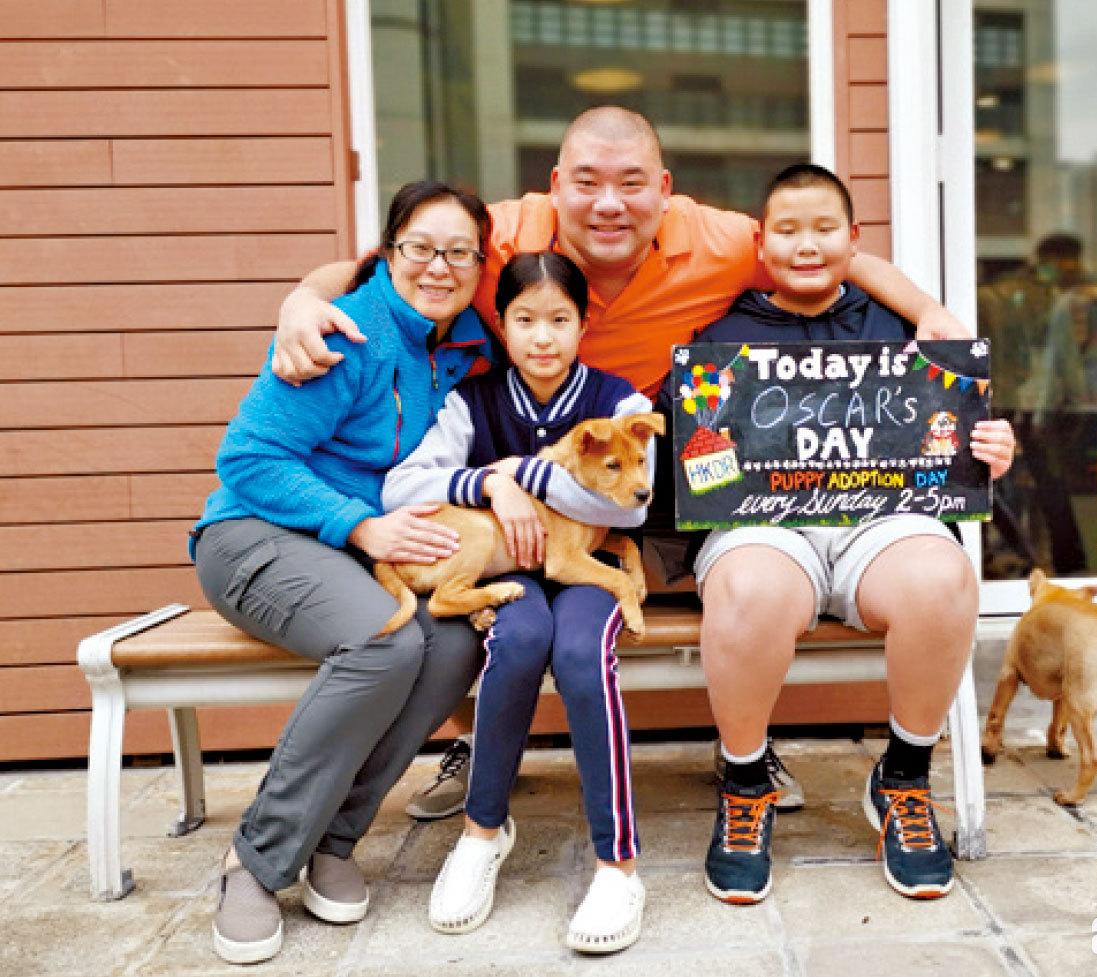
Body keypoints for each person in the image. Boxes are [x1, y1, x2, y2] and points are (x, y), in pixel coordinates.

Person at [268, 106, 976, 818]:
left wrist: (930, 314)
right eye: (587, 183)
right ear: (555, 186)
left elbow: (837, 252)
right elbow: (375, 266)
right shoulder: (501, 233)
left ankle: (746, 747)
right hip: (505, 458)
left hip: (639, 469)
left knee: (729, 573)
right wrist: (302, 300)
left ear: (663, 190)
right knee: (460, 577)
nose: (609, 203)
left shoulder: (720, 241)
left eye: (631, 183)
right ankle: (475, 742)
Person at [190, 181, 499, 964]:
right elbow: (248, 459)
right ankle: (255, 860)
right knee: (385, 640)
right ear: (389, 253)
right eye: (420, 248)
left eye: (458, 252)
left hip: (363, 553)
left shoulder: (465, 349)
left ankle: (333, 835)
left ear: (480, 263)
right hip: (255, 534)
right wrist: (359, 524)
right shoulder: (346, 333)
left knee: (452, 641)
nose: (439, 266)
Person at [690, 164, 1015, 905]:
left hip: (882, 518)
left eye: (824, 229)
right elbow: (700, 463)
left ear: (855, 238)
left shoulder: (902, 326)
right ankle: (746, 782)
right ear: (760, 245)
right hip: (766, 522)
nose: (807, 245)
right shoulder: (721, 337)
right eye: (788, 231)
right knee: (747, 588)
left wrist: (990, 447)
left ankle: (903, 777)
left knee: (943, 577)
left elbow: (955, 435)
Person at [381, 251, 654, 952]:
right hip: (512, 568)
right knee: (520, 639)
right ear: (500, 325)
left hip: (586, 568)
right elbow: (401, 487)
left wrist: (526, 472)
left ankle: (617, 864)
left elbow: (629, 508)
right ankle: (481, 832)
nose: (542, 337)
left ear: (583, 323)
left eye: (560, 319)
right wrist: (489, 484)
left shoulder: (619, 402)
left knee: (583, 653)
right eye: (524, 319)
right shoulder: (471, 400)